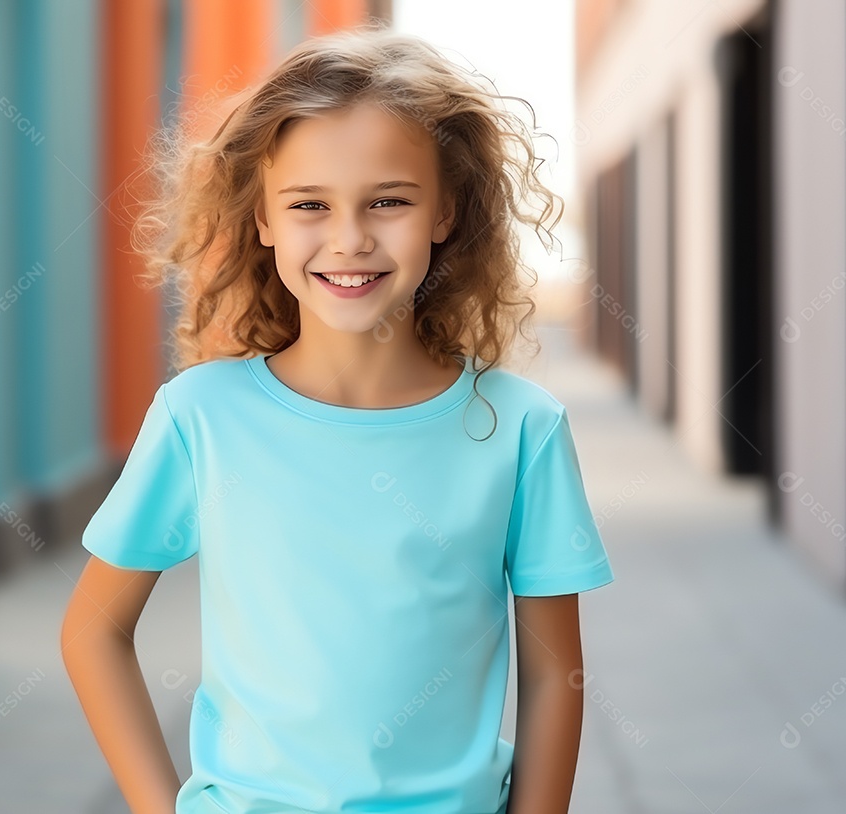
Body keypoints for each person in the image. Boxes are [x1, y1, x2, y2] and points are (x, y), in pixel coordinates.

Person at [61, 21, 614, 814]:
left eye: (388, 200)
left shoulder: (522, 428)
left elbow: (555, 676)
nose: (349, 239)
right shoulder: (201, 417)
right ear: (262, 220)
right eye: (309, 204)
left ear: (446, 213)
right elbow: (91, 633)